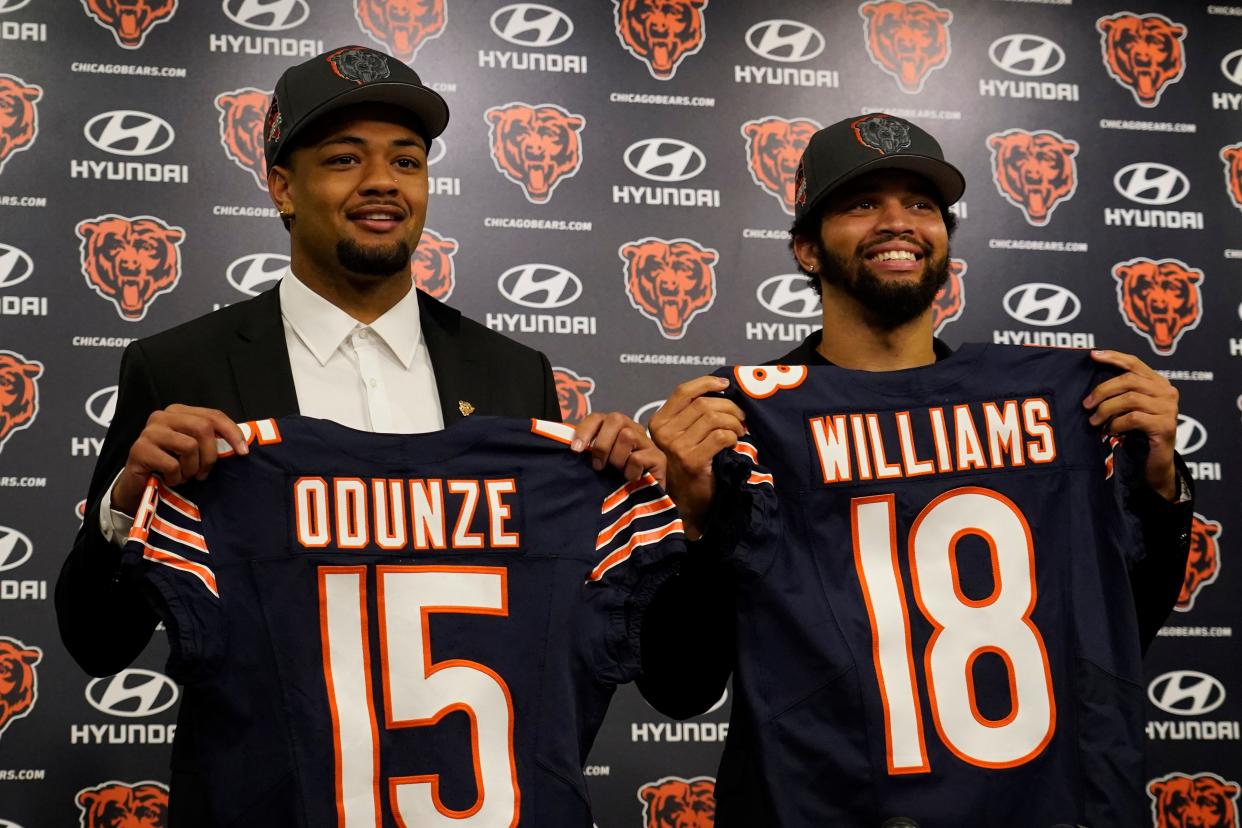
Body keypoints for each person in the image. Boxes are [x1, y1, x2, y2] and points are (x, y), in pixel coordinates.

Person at [56, 44, 660, 823]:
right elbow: (95, 641)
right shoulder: (180, 369)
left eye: (407, 162)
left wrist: (626, 490)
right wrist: (124, 506)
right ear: (282, 185)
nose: (382, 182)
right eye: (345, 158)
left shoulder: (513, 373)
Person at [639, 113, 1194, 823]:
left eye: (921, 204)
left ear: (944, 244)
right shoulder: (738, 428)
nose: (897, 222)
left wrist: (1156, 486)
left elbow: (1110, 632)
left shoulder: (1059, 407)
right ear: (807, 251)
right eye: (862, 203)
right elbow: (679, 686)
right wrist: (693, 518)